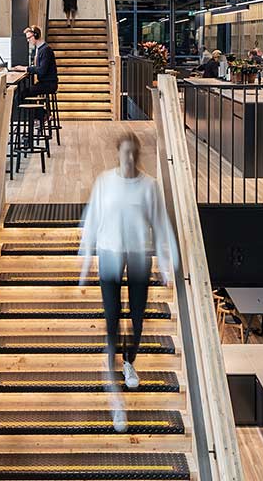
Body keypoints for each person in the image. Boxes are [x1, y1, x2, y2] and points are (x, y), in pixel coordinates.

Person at [78, 131, 178, 432]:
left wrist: (166, 265)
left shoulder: (150, 187)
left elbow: (161, 225)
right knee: (112, 318)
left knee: (135, 319)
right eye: (125, 153)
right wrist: (84, 267)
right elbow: (91, 221)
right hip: (109, 256)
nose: (130, 158)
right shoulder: (105, 183)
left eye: (134, 153)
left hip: (137, 257)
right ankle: (111, 369)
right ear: (117, 154)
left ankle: (129, 361)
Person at [12, 26, 58, 109]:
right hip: (45, 83)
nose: (28, 40)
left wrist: (25, 68)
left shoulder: (45, 50)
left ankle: (42, 116)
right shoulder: (41, 49)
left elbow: (42, 70)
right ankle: (42, 116)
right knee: (24, 94)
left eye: (29, 38)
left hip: (49, 84)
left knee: (19, 96)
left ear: (35, 35)